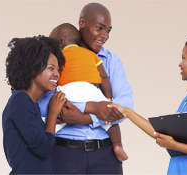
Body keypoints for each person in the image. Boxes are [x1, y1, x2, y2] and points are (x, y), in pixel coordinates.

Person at [108, 35, 187, 175]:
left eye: (183, 57)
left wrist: (175, 145)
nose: (180, 63)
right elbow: (161, 134)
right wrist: (127, 112)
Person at [38, 2, 134, 174]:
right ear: (82, 23)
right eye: (99, 28)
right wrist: (93, 108)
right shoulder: (55, 60)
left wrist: (84, 118)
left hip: (106, 155)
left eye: (108, 30)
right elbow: (41, 101)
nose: (104, 36)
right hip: (63, 153)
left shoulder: (111, 60)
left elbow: (126, 105)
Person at [48, 22, 128, 161]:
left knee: (52, 119)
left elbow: (54, 80)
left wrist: (84, 117)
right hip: (92, 90)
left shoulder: (57, 57)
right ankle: (117, 145)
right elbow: (103, 77)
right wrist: (108, 99)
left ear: (60, 42)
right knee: (110, 121)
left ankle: (45, 143)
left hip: (67, 91)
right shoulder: (90, 55)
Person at [2, 35, 66, 174]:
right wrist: (53, 114)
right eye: (51, 68)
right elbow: (43, 148)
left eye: (57, 69)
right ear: (32, 69)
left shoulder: (31, 104)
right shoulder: (20, 100)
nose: (57, 74)